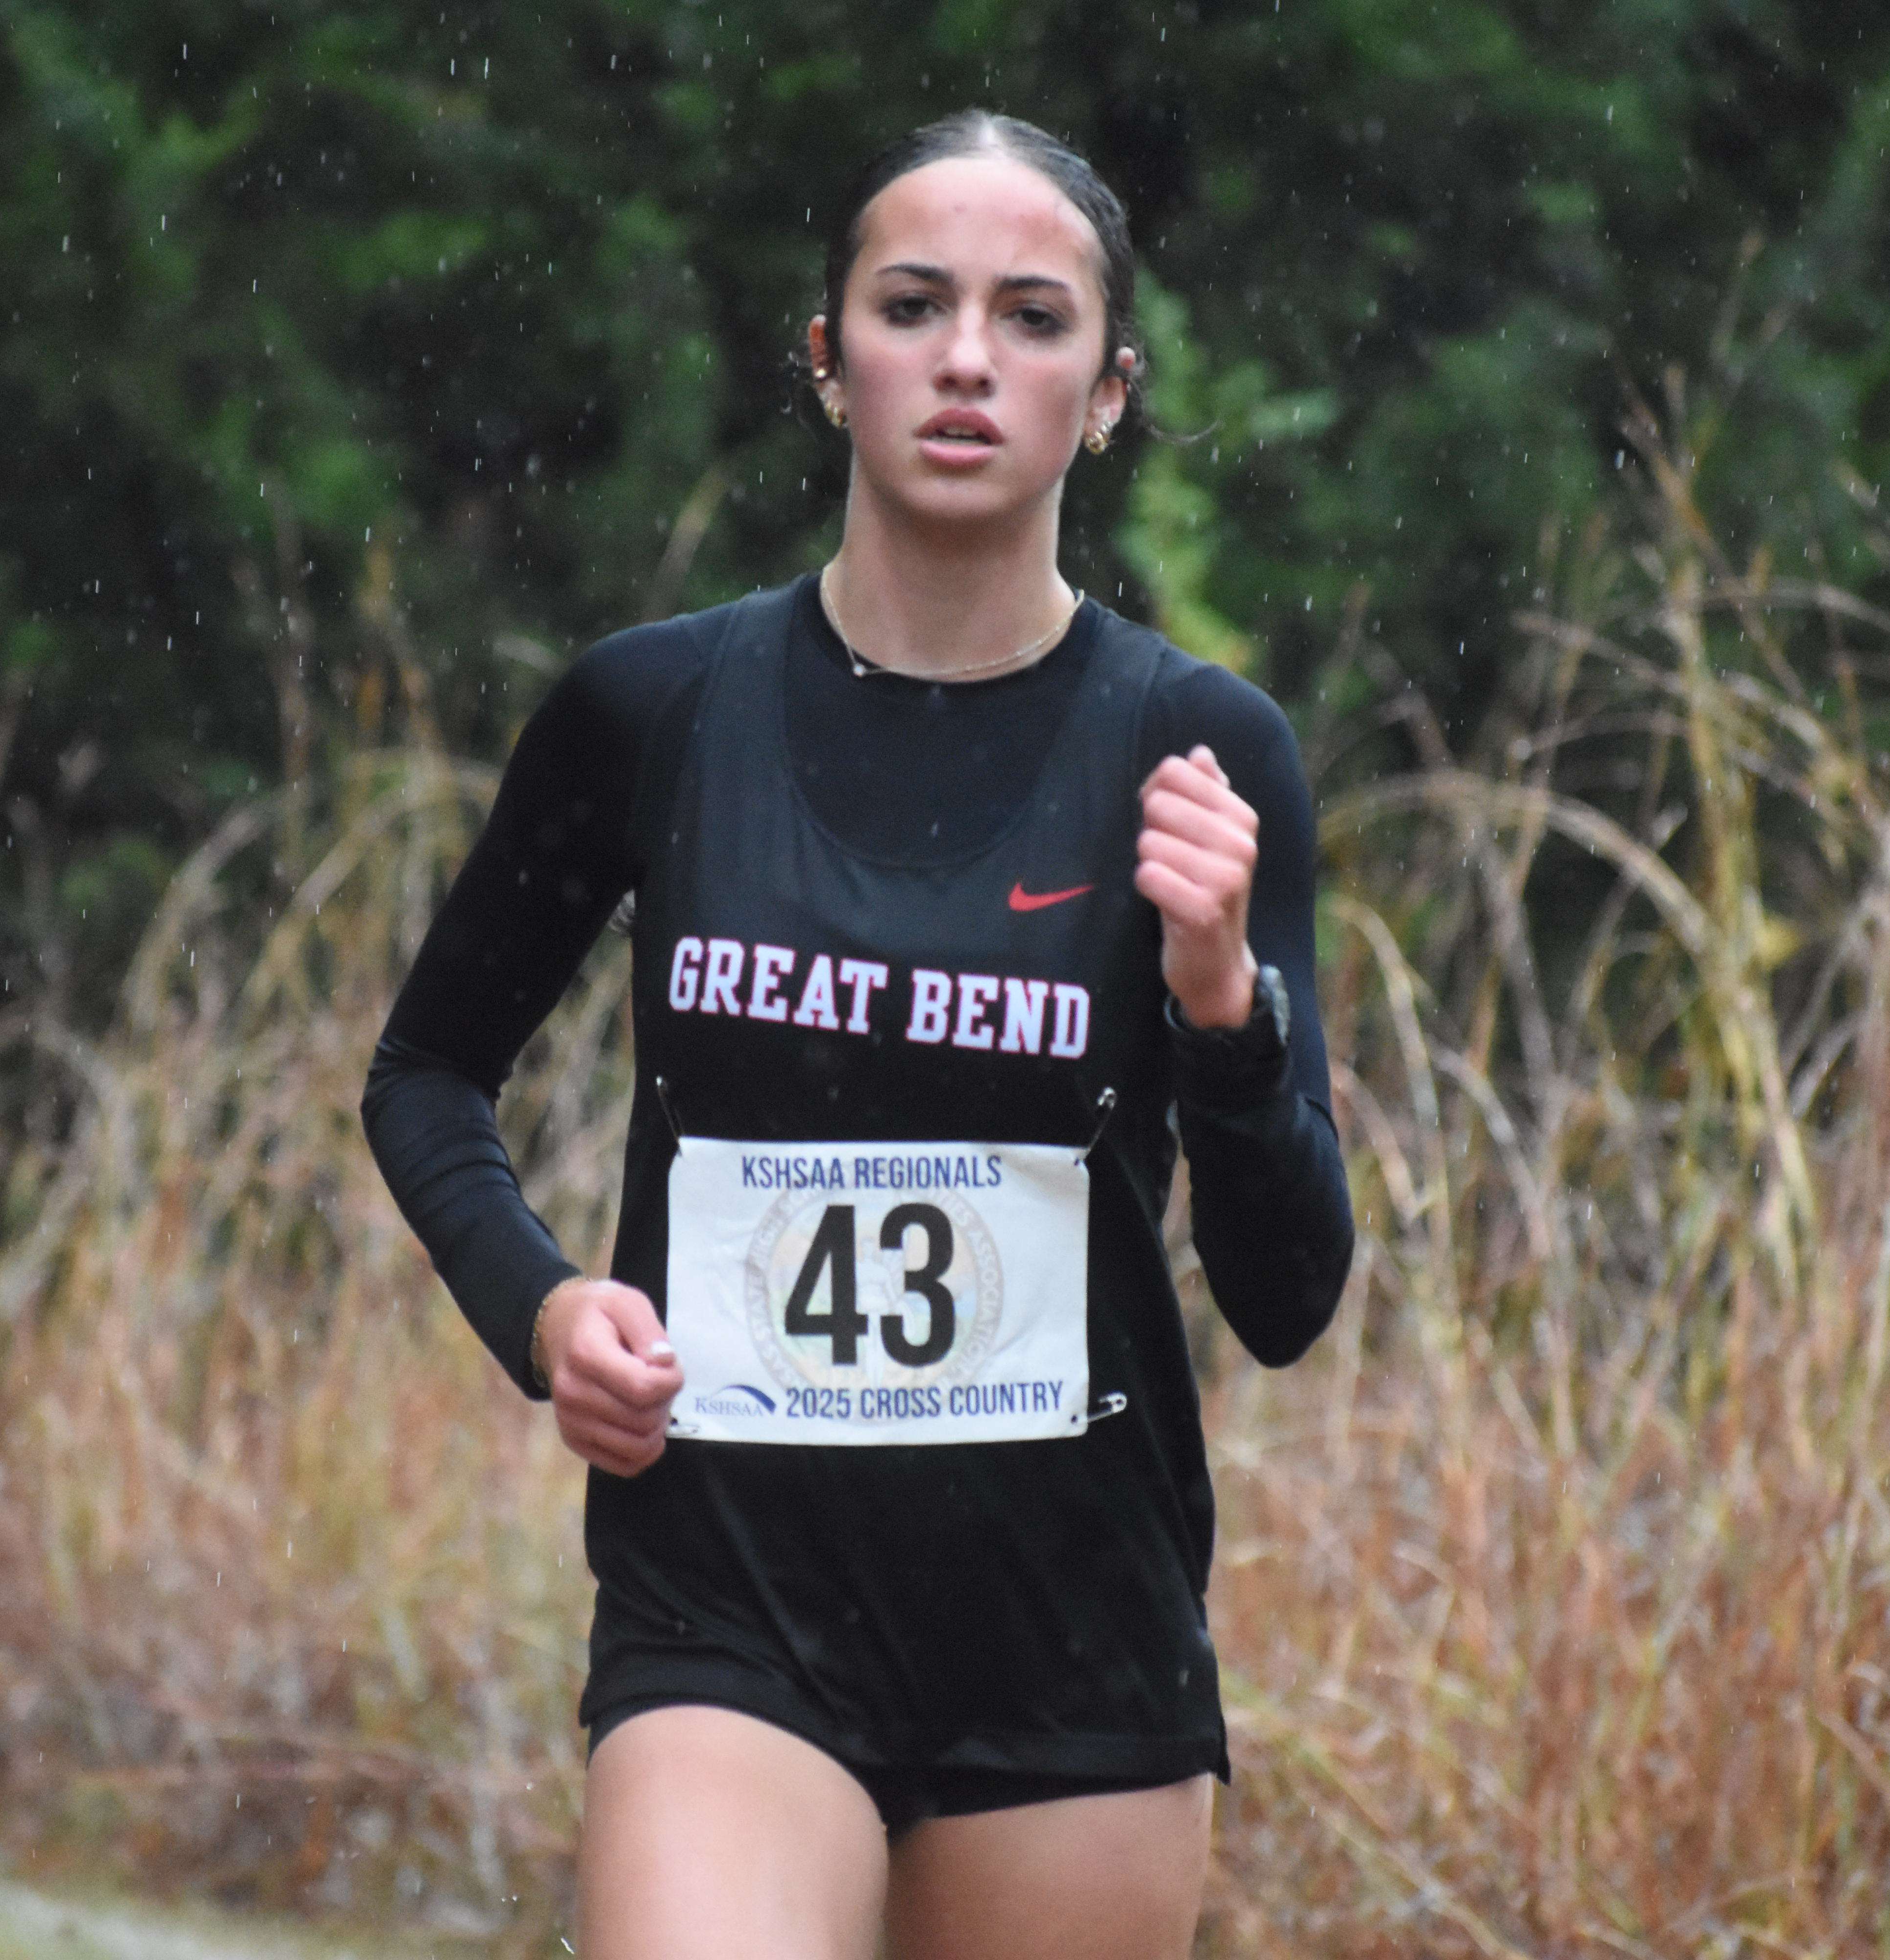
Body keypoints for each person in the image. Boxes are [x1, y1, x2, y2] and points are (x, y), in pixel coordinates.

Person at [363, 109, 1354, 1960]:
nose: (968, 357)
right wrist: (544, 1308)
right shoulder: (651, 710)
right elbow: (425, 1075)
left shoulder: (1202, 754)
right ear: (829, 363)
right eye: (913, 306)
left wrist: (1223, 1002)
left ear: (1110, 391)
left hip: (1074, 1643)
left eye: (1034, 319)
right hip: (728, 1606)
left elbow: (1290, 1298)